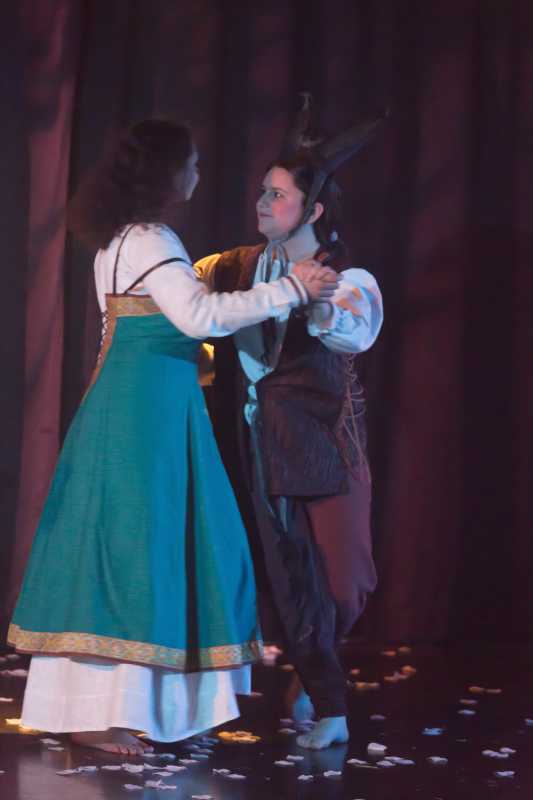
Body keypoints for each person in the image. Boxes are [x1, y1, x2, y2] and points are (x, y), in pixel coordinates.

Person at [7, 118, 338, 755]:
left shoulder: (120, 237)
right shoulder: (152, 237)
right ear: (167, 173)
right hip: (143, 413)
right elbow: (197, 317)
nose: (197, 174)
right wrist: (292, 287)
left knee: (137, 546)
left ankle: (125, 708)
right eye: (191, 163)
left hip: (139, 405)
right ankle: (100, 714)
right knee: (138, 549)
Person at [195, 100, 385, 749]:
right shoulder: (233, 266)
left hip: (326, 442)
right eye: (262, 191)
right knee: (288, 578)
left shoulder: (348, 277)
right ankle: (324, 693)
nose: (262, 202)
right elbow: (183, 294)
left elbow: (349, 328)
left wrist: (319, 306)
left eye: (276, 194)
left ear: (313, 209)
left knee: (347, 583)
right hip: (260, 442)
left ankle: (313, 665)